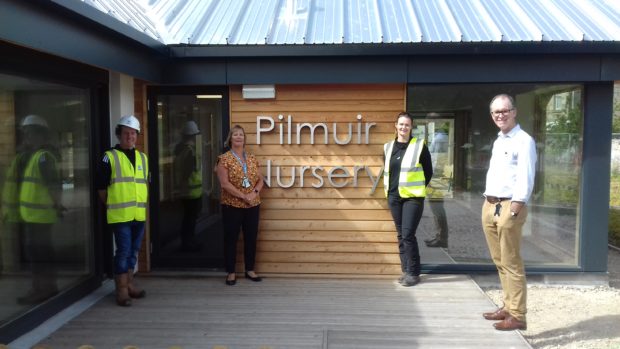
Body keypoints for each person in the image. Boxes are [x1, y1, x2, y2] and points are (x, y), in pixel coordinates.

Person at [481, 94, 536, 331]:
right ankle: (508, 306)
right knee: (499, 260)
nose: (500, 115)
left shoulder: (524, 140)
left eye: (504, 111)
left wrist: (515, 208)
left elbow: (526, 176)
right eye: (496, 112)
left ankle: (518, 315)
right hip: (490, 204)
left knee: (511, 262)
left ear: (514, 112)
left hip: (509, 207)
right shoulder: (499, 140)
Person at [97, 115, 149, 307]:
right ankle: (121, 290)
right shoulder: (109, 157)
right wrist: (112, 205)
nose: (130, 137)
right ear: (119, 135)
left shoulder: (143, 158)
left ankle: (129, 284)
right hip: (120, 216)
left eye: (133, 133)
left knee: (133, 251)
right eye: (126, 133)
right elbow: (101, 188)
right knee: (124, 251)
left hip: (138, 214)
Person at [15, 115, 63, 304]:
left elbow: (53, 185)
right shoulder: (34, 156)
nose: (26, 137)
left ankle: (42, 289)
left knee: (39, 255)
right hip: (34, 216)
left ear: (38, 135)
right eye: (25, 133)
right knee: (41, 254)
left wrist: (57, 205)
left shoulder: (43, 158)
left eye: (29, 133)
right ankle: (46, 287)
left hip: (40, 217)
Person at [383, 112, 433, 287]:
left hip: (413, 198)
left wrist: (417, 188)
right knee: (400, 235)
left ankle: (413, 272)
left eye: (407, 125)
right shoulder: (388, 147)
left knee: (407, 235)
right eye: (401, 124)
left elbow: (429, 171)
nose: (403, 127)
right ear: (395, 126)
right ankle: (406, 270)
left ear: (411, 127)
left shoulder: (419, 146)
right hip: (394, 197)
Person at [216, 125, 264, 286]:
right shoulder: (224, 159)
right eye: (235, 134)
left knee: (251, 237)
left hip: (253, 205)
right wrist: (244, 196)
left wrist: (254, 193)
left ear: (244, 138)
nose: (238, 137)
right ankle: (231, 272)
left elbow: (260, 179)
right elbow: (224, 184)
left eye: (241, 135)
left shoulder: (251, 158)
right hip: (232, 206)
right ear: (230, 138)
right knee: (231, 239)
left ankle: (250, 269)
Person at [173, 121, 203, 252]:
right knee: (190, 219)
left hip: (186, 191)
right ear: (193, 136)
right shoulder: (190, 152)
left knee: (188, 218)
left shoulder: (180, 150)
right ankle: (188, 243)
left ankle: (188, 241)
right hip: (192, 192)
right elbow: (187, 171)